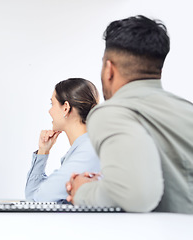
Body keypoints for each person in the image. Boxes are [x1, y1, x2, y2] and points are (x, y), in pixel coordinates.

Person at [66, 15, 193, 213]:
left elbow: (138, 196)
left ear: (109, 69)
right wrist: (109, 184)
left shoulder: (112, 113)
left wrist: (82, 191)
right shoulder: (187, 109)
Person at [25, 78, 100, 202]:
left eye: (52, 104)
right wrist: (43, 151)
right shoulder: (83, 148)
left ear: (66, 107)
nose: (50, 111)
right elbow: (34, 197)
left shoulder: (88, 151)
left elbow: (38, 199)